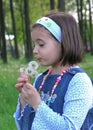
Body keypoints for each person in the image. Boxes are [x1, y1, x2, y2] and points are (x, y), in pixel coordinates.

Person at [14, 11, 93, 130]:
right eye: (34, 44)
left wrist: (37, 104)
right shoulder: (41, 79)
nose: (35, 50)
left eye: (41, 44)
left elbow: (69, 127)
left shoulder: (79, 81)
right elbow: (26, 127)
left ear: (63, 43)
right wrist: (25, 99)